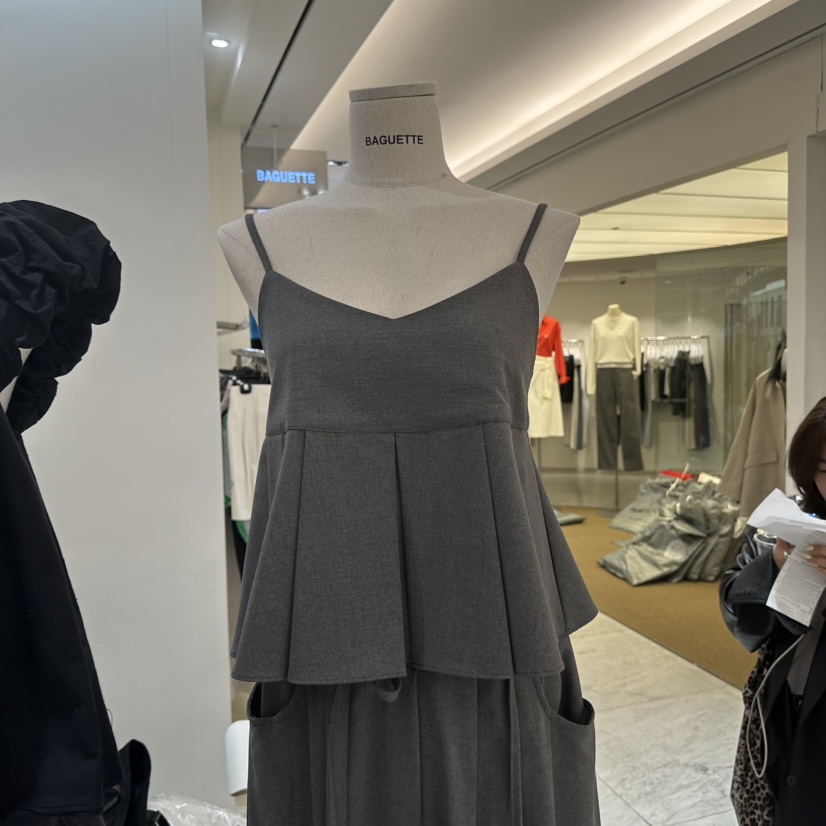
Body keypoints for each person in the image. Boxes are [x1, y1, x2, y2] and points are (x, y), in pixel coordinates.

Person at [720, 396, 826, 825]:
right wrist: (777, 565)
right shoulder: (788, 522)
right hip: (783, 703)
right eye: (824, 469)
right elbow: (738, 616)